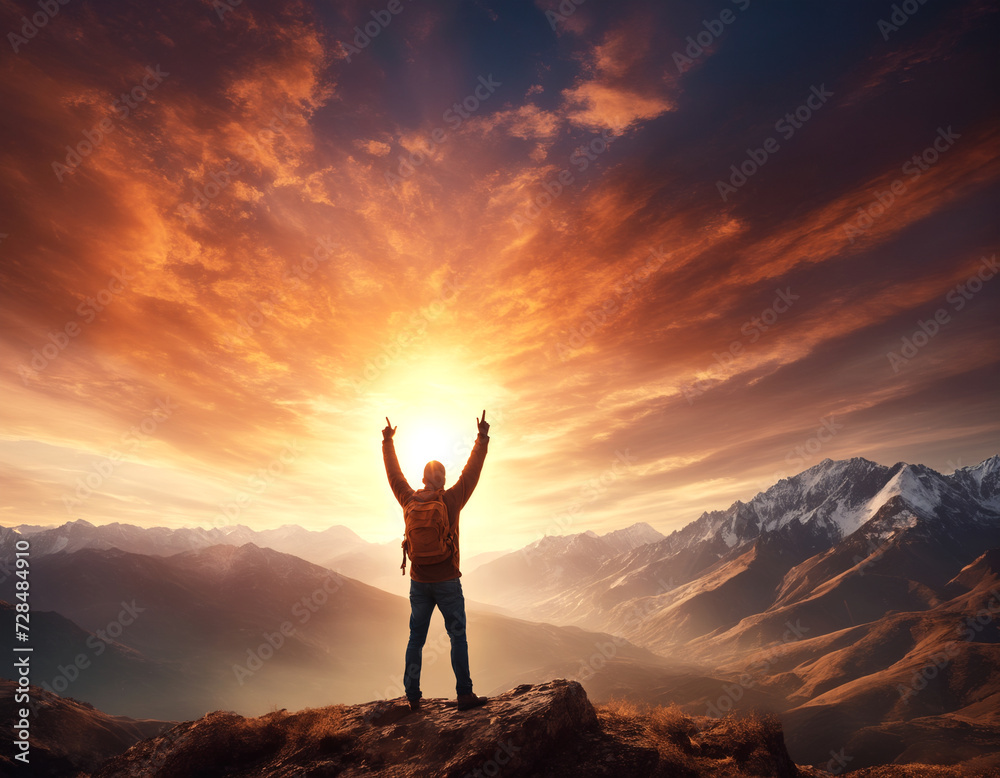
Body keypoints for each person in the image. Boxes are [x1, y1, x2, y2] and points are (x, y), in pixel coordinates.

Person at [382, 411, 491, 712]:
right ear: (442, 480)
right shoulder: (451, 500)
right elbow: (472, 472)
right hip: (446, 581)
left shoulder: (407, 499)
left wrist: (388, 442)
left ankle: (412, 695)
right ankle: (464, 695)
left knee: (416, 638)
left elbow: (394, 475)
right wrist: (481, 439)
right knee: (458, 637)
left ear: (422, 480)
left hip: (418, 581)